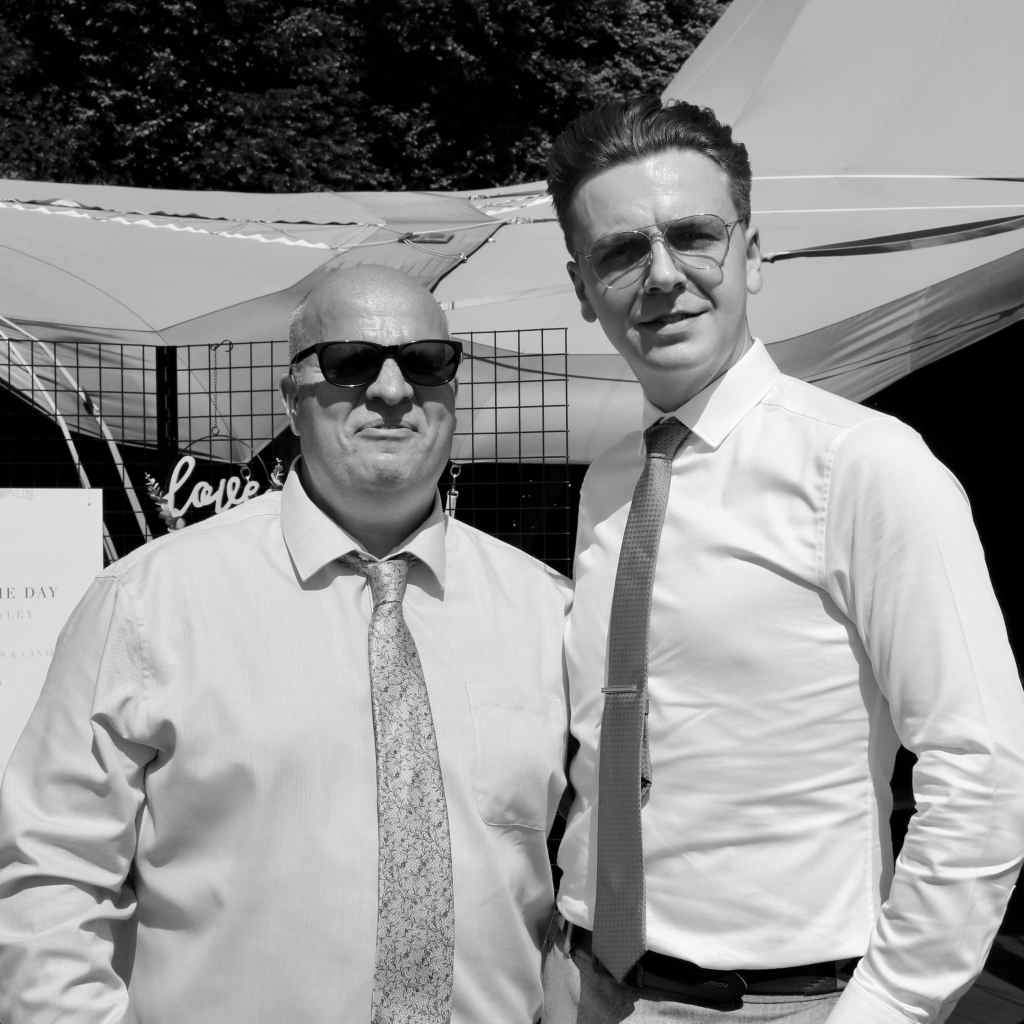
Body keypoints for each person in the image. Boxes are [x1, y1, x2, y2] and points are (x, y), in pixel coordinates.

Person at [542, 95, 1024, 1024]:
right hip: (591, 985)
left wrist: (891, 1005)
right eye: (621, 252)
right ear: (582, 286)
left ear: (753, 253)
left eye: (694, 236)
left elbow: (983, 764)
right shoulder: (608, 483)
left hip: (785, 1002)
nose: (662, 276)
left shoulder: (865, 466)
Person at [0, 265, 571, 1024]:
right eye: (351, 362)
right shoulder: (148, 604)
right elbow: (50, 872)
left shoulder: (547, 614)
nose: (392, 389)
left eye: (425, 362)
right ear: (291, 398)